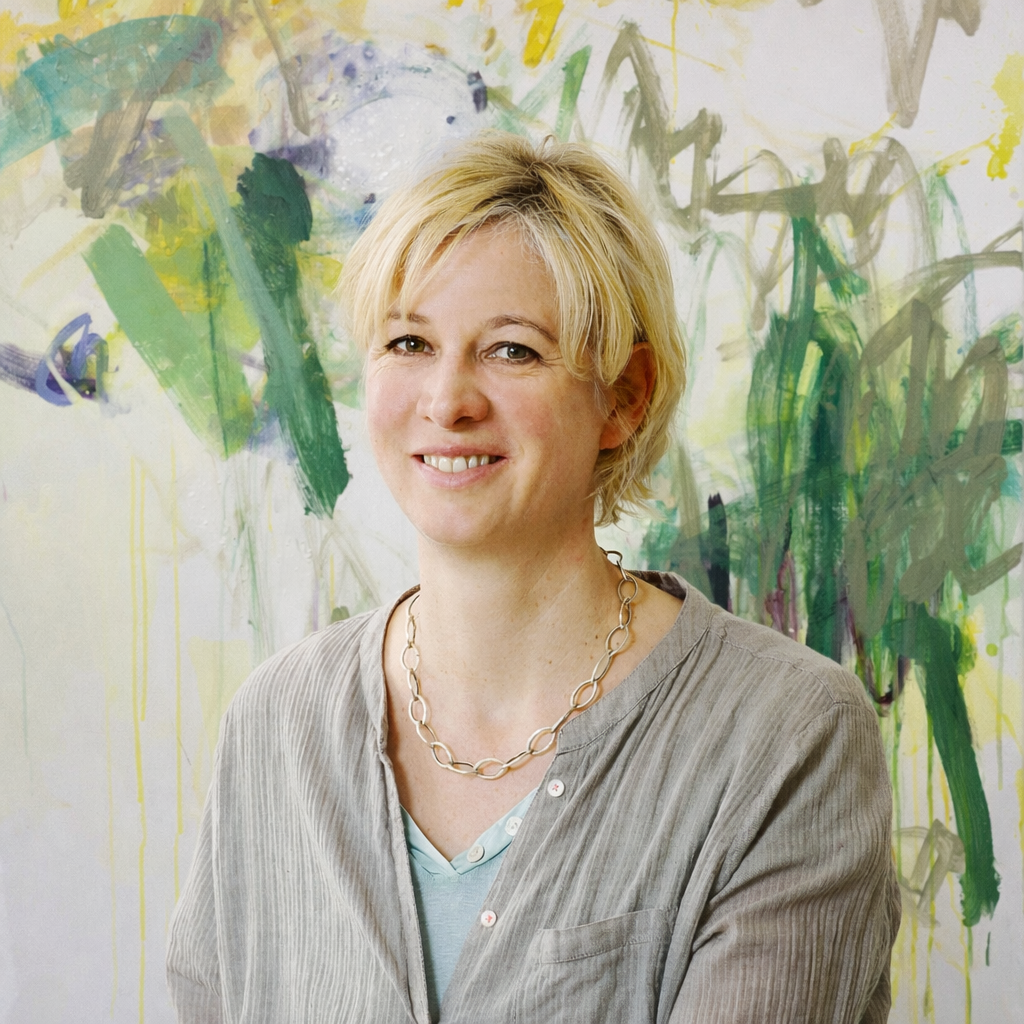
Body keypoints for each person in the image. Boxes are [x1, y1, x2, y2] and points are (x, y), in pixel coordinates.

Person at [166, 132, 900, 1023]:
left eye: (511, 350)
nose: (447, 401)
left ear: (624, 395)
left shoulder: (788, 736)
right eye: (408, 341)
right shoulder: (275, 725)